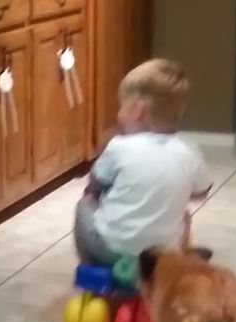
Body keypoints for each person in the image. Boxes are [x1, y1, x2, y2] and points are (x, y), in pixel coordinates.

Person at [74, 58, 212, 266]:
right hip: (161, 256)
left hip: (111, 251)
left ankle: (96, 265)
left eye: (122, 107)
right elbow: (200, 194)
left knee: (84, 205)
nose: (118, 114)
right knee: (184, 216)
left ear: (137, 110)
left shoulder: (118, 146)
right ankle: (174, 262)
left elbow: (95, 186)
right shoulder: (189, 150)